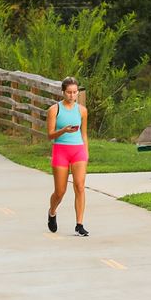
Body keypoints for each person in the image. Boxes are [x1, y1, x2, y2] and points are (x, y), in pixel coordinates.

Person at [47, 77, 89, 236]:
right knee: (60, 191)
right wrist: (63, 130)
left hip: (78, 150)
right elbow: (50, 136)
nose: (72, 95)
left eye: (75, 92)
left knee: (79, 186)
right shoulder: (54, 110)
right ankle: (52, 212)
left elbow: (84, 134)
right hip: (60, 151)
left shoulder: (82, 110)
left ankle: (79, 224)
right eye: (69, 92)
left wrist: (86, 153)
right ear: (63, 92)